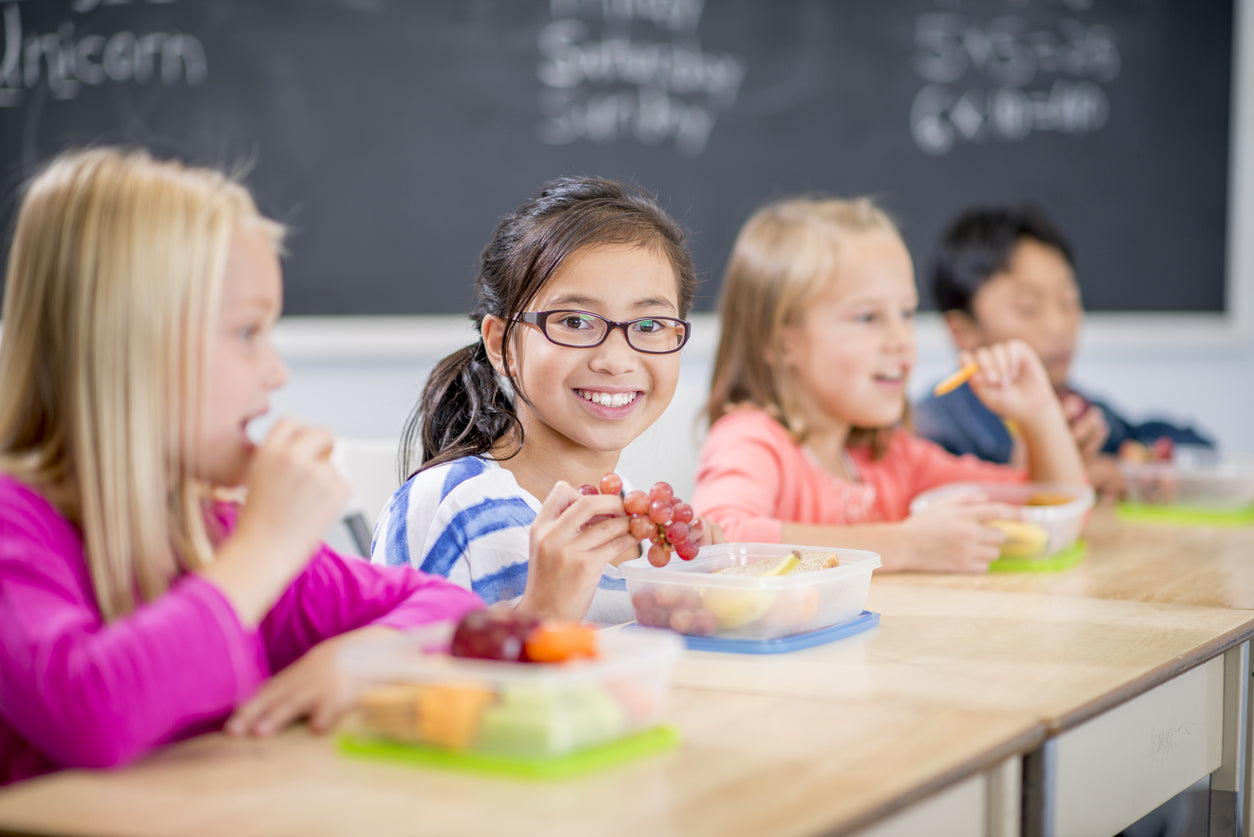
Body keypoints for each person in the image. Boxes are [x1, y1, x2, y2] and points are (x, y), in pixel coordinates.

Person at [0, 148, 483, 785]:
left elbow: (449, 607)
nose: (276, 372)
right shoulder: (19, 527)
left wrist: (365, 654)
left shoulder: (210, 531)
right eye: (247, 332)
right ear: (131, 345)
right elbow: (94, 713)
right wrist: (266, 545)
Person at [372, 176, 721, 623]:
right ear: (501, 344)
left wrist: (708, 595)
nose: (616, 360)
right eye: (574, 321)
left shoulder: (640, 518)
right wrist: (540, 612)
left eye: (650, 325)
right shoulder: (452, 504)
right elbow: (393, 680)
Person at [691, 195, 1087, 572]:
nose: (901, 340)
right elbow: (723, 542)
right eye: (867, 318)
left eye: (906, 313)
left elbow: (1053, 512)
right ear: (779, 342)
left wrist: (1039, 413)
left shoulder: (892, 456)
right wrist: (906, 545)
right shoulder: (751, 440)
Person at [914, 204, 1214, 499]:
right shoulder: (933, 427)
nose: (1060, 326)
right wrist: (1033, 473)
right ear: (962, 330)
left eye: (1069, 301)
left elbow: (1198, 448)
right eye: (1028, 308)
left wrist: (1131, 470)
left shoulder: (1079, 411)